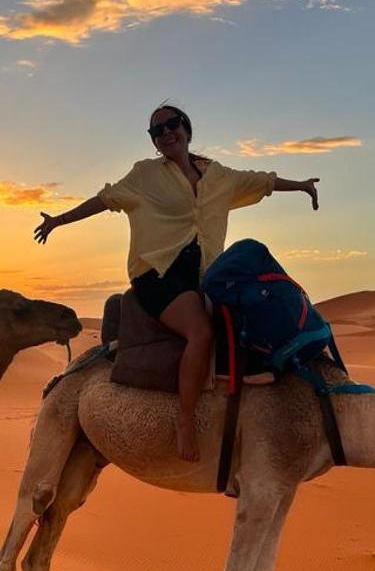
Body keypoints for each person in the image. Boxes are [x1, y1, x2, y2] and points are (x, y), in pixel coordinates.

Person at [34, 104, 319, 461]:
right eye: (157, 131)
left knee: (254, 308)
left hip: (206, 275)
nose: (166, 133)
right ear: (154, 141)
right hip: (157, 272)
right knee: (200, 331)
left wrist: (303, 186)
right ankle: (185, 422)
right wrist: (58, 220)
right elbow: (104, 199)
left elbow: (263, 181)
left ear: (186, 128)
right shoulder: (145, 175)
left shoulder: (219, 176)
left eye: (172, 124)